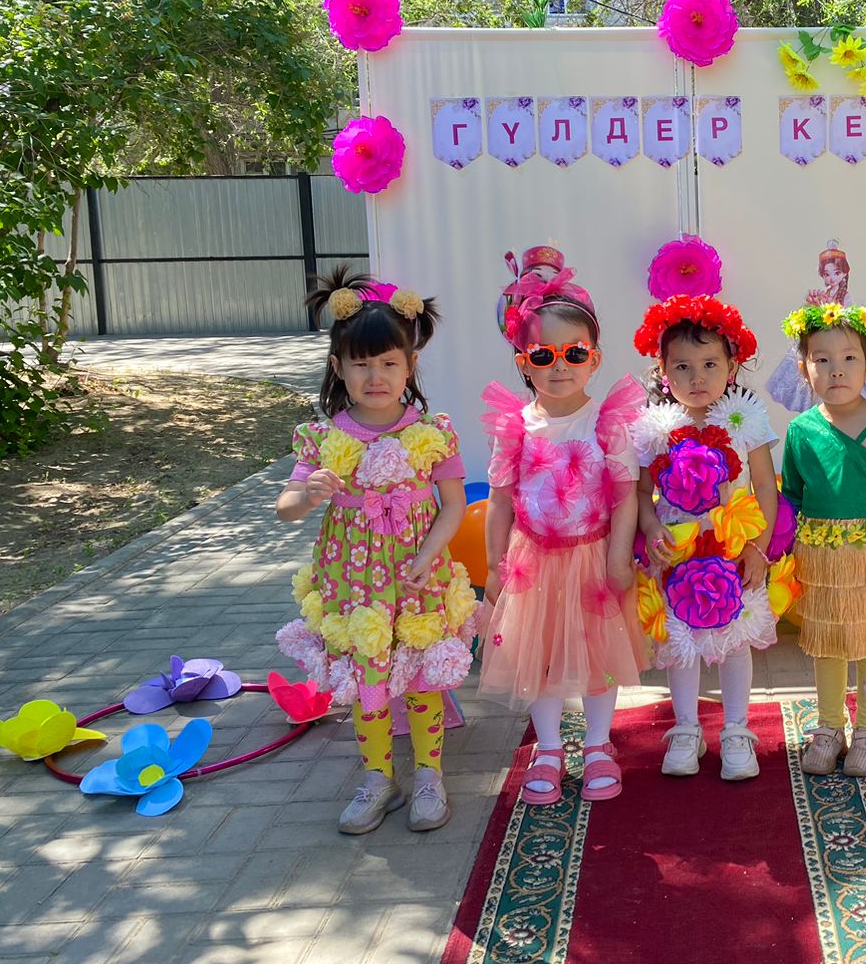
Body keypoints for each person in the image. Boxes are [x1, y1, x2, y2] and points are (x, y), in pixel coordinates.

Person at [276, 267, 473, 835]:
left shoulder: (432, 433)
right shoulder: (324, 438)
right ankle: (378, 778)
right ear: (338, 367)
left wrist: (428, 556)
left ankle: (430, 775)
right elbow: (286, 508)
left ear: (410, 365)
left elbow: (454, 505)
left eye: (388, 363)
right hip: (353, 582)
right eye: (361, 364)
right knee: (369, 680)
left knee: (422, 677)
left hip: (417, 576)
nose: (375, 376)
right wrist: (308, 494)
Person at [476, 246, 647, 804]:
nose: (559, 366)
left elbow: (625, 495)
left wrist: (619, 558)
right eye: (543, 355)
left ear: (594, 359)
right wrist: (494, 566)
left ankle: (597, 744)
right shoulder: (516, 424)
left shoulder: (608, 419)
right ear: (524, 361)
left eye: (574, 352)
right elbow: (499, 500)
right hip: (532, 562)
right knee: (540, 657)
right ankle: (548, 748)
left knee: (599, 656)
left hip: (593, 557)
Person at [632, 260, 780, 781]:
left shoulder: (747, 420)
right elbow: (642, 491)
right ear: (662, 369)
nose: (697, 378)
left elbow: (766, 488)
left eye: (710, 364)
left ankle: (736, 729)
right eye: (683, 367)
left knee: (735, 640)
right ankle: (687, 728)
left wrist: (758, 548)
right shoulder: (654, 427)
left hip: (734, 549)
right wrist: (651, 528)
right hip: (676, 551)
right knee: (681, 644)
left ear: (731, 365)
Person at [779, 303, 866, 777]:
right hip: (819, 559)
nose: (837, 370)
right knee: (827, 643)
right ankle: (830, 726)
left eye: (850, 358)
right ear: (804, 369)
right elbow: (792, 498)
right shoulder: (800, 430)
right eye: (822, 359)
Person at [767, 240, 866, 412]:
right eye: (827, 274)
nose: (831, 278)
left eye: (836, 273)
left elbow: (844, 320)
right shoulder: (825, 293)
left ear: (844, 273)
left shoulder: (845, 296)